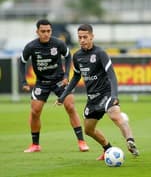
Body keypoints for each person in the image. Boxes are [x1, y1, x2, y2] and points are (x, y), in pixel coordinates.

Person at [55, 24, 139, 160]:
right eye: (80, 37)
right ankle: (108, 149)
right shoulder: (77, 56)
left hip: (106, 93)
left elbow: (112, 75)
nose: (82, 40)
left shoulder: (100, 53)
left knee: (115, 115)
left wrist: (114, 96)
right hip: (92, 99)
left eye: (85, 37)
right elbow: (76, 77)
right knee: (88, 130)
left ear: (92, 37)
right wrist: (63, 96)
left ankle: (130, 141)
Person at [20, 19, 89, 153]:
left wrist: (66, 77)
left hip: (59, 81)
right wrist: (24, 82)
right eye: (43, 31)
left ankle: (82, 142)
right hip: (42, 82)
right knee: (35, 111)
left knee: (70, 106)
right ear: (37, 32)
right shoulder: (31, 47)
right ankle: (35, 145)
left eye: (48, 31)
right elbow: (22, 61)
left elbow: (69, 57)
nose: (46, 34)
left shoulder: (58, 43)